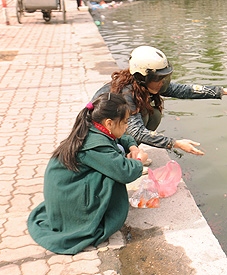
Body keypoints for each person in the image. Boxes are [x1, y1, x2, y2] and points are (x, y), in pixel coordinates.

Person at [27, 93, 148, 255]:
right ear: (109, 123)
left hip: (66, 190)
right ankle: (82, 219)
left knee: (117, 155)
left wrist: (133, 147)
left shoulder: (93, 128)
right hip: (68, 197)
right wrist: (139, 161)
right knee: (112, 174)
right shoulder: (95, 144)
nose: (127, 126)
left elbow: (121, 139)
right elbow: (124, 172)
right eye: (125, 122)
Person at [92, 45, 227, 156]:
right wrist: (175, 143)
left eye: (164, 77)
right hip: (101, 138)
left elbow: (184, 90)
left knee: (153, 114)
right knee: (144, 120)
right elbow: (138, 132)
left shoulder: (145, 83)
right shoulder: (126, 94)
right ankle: (123, 157)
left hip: (116, 131)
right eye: (158, 78)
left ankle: (130, 154)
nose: (162, 83)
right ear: (142, 76)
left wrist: (224, 91)